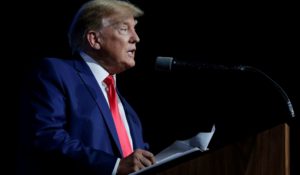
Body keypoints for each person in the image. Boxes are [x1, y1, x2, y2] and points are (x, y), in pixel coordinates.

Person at [18, 0, 155, 174]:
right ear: (95, 39)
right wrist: (114, 166)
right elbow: (47, 137)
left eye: (135, 28)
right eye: (124, 28)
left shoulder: (129, 112)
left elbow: (137, 161)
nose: (136, 38)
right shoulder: (56, 72)